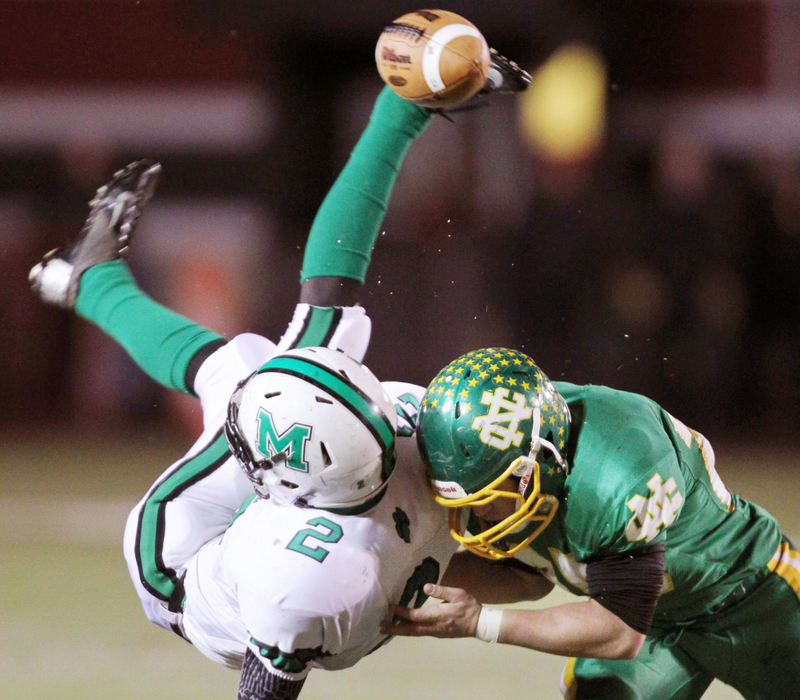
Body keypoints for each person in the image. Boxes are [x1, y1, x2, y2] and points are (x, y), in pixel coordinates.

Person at [28, 54, 532, 699]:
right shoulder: (304, 582)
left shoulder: (393, 426)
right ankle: (92, 279)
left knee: (260, 358)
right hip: (181, 559)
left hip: (310, 500)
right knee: (269, 354)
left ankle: (90, 280)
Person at [385, 345, 800, 697]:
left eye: (489, 496)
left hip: (751, 595)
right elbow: (528, 577)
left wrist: (481, 622)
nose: (477, 515)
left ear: (541, 461)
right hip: (653, 623)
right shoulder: (505, 448)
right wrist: (395, 580)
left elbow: (620, 630)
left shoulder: (621, 467)